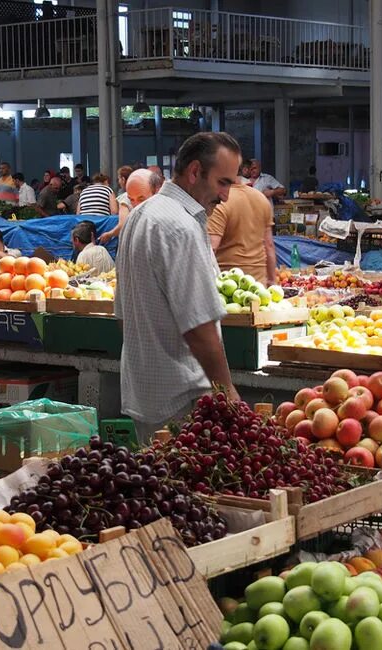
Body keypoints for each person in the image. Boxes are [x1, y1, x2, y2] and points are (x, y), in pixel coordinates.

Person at [116, 131, 242, 444]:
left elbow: (122, 311)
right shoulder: (180, 227)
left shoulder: (140, 216)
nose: (225, 196)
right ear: (195, 171)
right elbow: (198, 325)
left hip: (147, 393)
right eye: (223, 183)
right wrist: (226, 391)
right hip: (184, 398)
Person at [208, 184, 277, 285]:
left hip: (229, 289)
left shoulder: (220, 201)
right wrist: (272, 280)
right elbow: (269, 245)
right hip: (259, 285)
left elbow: (210, 250)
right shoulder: (261, 198)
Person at [99, 169, 161, 244]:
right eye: (131, 199)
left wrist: (109, 235)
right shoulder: (125, 198)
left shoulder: (125, 198)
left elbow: (122, 225)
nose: (136, 205)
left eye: (141, 199)